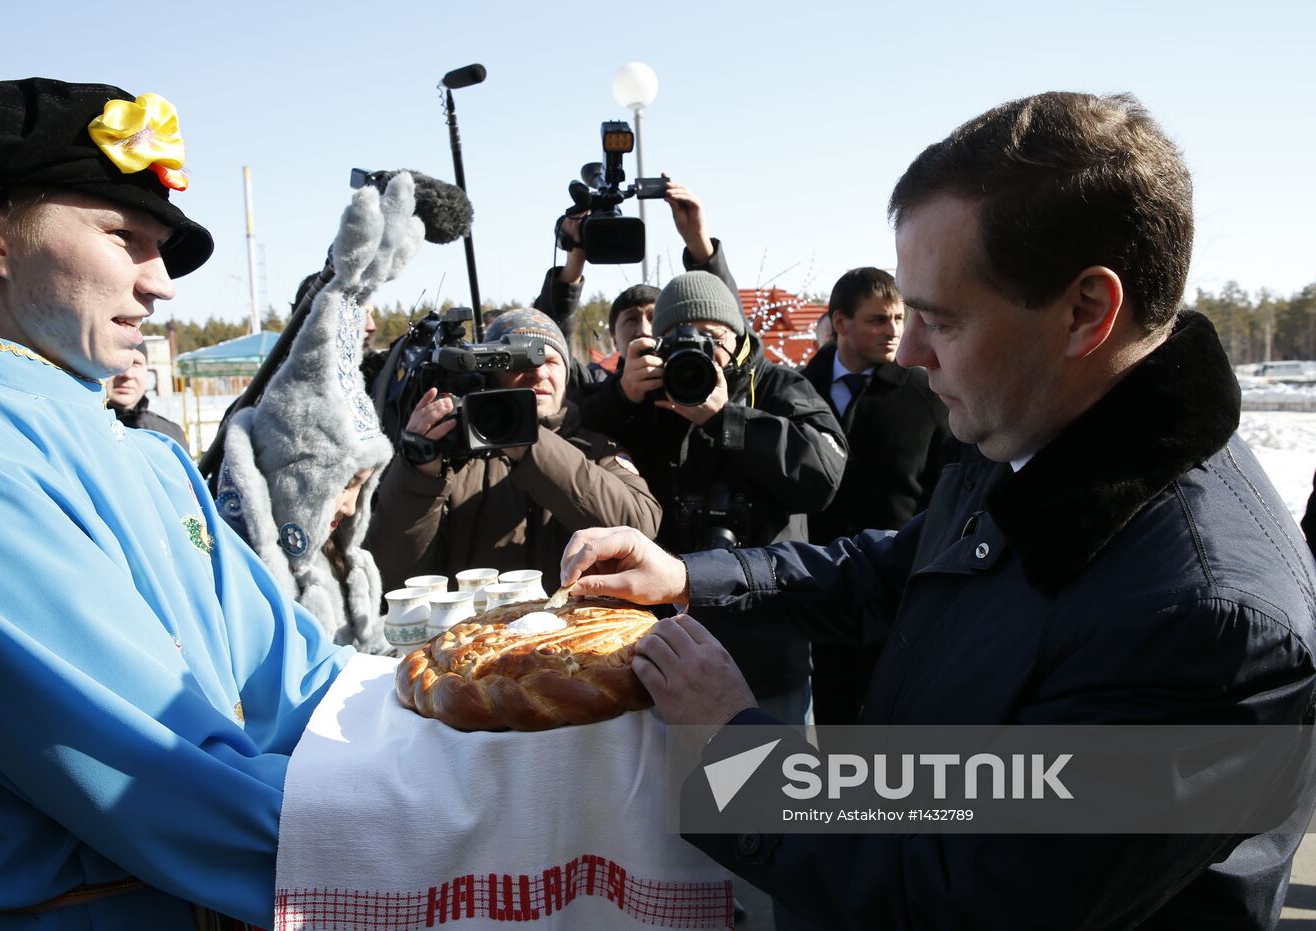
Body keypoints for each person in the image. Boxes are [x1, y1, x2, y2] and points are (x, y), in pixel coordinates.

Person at [560, 91, 1316, 929]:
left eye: (940, 321)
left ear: (1086, 313)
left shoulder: (1210, 628)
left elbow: (958, 892)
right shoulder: (1040, 430)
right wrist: (688, 575)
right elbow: (894, 565)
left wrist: (731, 746)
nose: (910, 353)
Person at [0, 78, 362, 930]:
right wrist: (464, 833)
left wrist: (473, 708)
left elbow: (299, 685)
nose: (160, 285)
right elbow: (167, 781)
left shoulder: (146, 455)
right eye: (124, 237)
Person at [579, 270, 846, 730]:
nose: (697, 349)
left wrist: (726, 419)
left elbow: (823, 475)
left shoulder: (778, 386)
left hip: (769, 632)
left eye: (711, 336)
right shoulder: (648, 398)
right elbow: (578, 442)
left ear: (738, 338)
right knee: (678, 792)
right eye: (678, 338)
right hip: (670, 642)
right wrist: (620, 397)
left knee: (773, 789)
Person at [364, 308, 661, 595]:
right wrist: (418, 473)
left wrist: (529, 441)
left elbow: (641, 527)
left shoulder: (597, 449)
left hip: (582, 634)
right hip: (476, 639)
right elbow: (395, 575)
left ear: (567, 376)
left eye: (551, 361)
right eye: (518, 362)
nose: (538, 372)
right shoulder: (455, 460)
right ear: (490, 371)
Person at [216, 200, 402, 652]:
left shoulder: (340, 555)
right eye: (343, 485)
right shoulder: (247, 586)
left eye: (362, 485)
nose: (352, 503)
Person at [799, 267, 951, 723]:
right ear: (840, 322)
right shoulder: (799, 390)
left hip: (900, 593)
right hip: (816, 589)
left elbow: (945, 489)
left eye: (899, 319)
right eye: (878, 320)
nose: (894, 332)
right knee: (832, 723)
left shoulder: (928, 395)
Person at [534, 177, 738, 393]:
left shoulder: (713, 384)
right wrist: (574, 260)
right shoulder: (597, 387)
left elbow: (731, 327)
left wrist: (697, 238)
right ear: (614, 339)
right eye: (631, 320)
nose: (643, 330)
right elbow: (546, 345)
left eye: (654, 317)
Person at [107, 343, 189, 448]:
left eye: (135, 363)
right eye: (116, 362)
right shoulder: (85, 429)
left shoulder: (170, 435)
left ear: (146, 370)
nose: (127, 374)